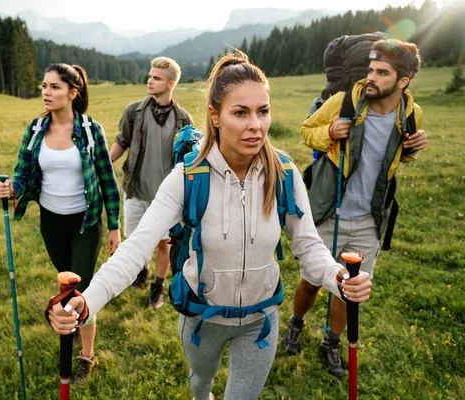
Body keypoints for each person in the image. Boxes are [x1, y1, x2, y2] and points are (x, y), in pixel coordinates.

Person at [47, 52, 372, 399]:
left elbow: (308, 246)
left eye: (263, 111)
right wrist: (87, 302)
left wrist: (338, 277)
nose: (256, 125)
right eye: (240, 113)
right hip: (202, 321)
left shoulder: (284, 173)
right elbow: (136, 248)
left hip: (261, 323)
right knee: (201, 383)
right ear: (215, 117)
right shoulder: (187, 177)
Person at [281, 38, 428, 377]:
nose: (371, 77)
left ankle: (331, 342)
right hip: (329, 212)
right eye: (371, 69)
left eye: (382, 72)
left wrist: (413, 148)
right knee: (311, 280)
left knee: (349, 289)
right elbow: (307, 131)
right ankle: (297, 322)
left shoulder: (411, 113)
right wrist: (330, 131)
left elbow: (398, 155)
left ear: (404, 80)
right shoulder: (344, 100)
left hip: (368, 221)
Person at [0, 63, 121, 384]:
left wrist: (115, 226)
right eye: (44, 86)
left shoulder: (91, 130)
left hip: (86, 223)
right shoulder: (35, 129)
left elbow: (108, 180)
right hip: (50, 222)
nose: (46, 93)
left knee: (84, 290)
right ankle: (72, 326)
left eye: (54, 87)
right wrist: (11, 189)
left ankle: (87, 357)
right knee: (65, 288)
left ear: (73, 92)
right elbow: (22, 173)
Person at [109, 56, 194, 309]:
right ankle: (140, 270)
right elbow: (121, 141)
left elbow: (189, 156)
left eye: (156, 78)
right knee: (134, 241)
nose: (150, 80)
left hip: (167, 199)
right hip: (135, 190)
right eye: (150, 75)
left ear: (170, 84)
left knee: (164, 243)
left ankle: (157, 288)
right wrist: (102, 162)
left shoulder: (183, 119)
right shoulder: (134, 112)